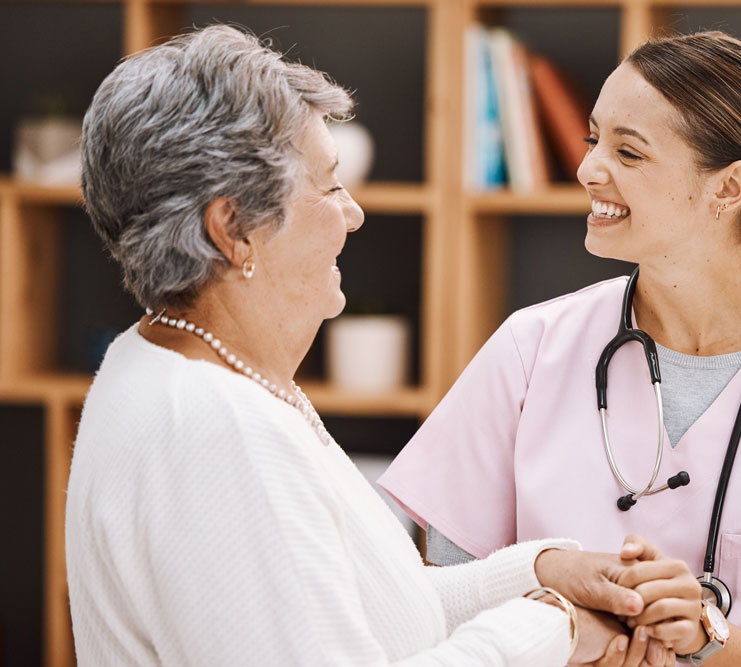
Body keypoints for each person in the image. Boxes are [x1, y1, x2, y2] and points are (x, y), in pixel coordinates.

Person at [65, 24, 687, 667]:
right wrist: (550, 629)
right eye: (330, 186)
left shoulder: (162, 364)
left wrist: (544, 572)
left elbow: (378, 609)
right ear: (234, 229)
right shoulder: (219, 431)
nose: (354, 212)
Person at [379, 31, 741, 666]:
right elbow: (435, 608)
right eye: (592, 139)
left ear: (729, 187)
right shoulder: (528, 351)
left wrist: (711, 636)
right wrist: (564, 622)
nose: (587, 169)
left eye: (628, 152)